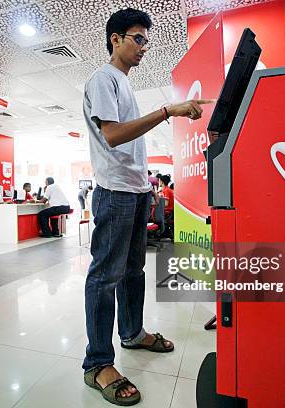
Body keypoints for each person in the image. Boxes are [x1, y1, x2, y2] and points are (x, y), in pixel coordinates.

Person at [81, 8, 215, 405]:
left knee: (134, 270)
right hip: (113, 192)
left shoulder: (124, 84)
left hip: (135, 191)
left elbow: (130, 142)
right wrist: (168, 110)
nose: (143, 47)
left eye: (145, 41)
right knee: (104, 277)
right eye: (137, 39)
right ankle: (98, 363)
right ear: (115, 39)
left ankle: (133, 333)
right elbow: (113, 135)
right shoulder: (102, 79)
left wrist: (147, 189)